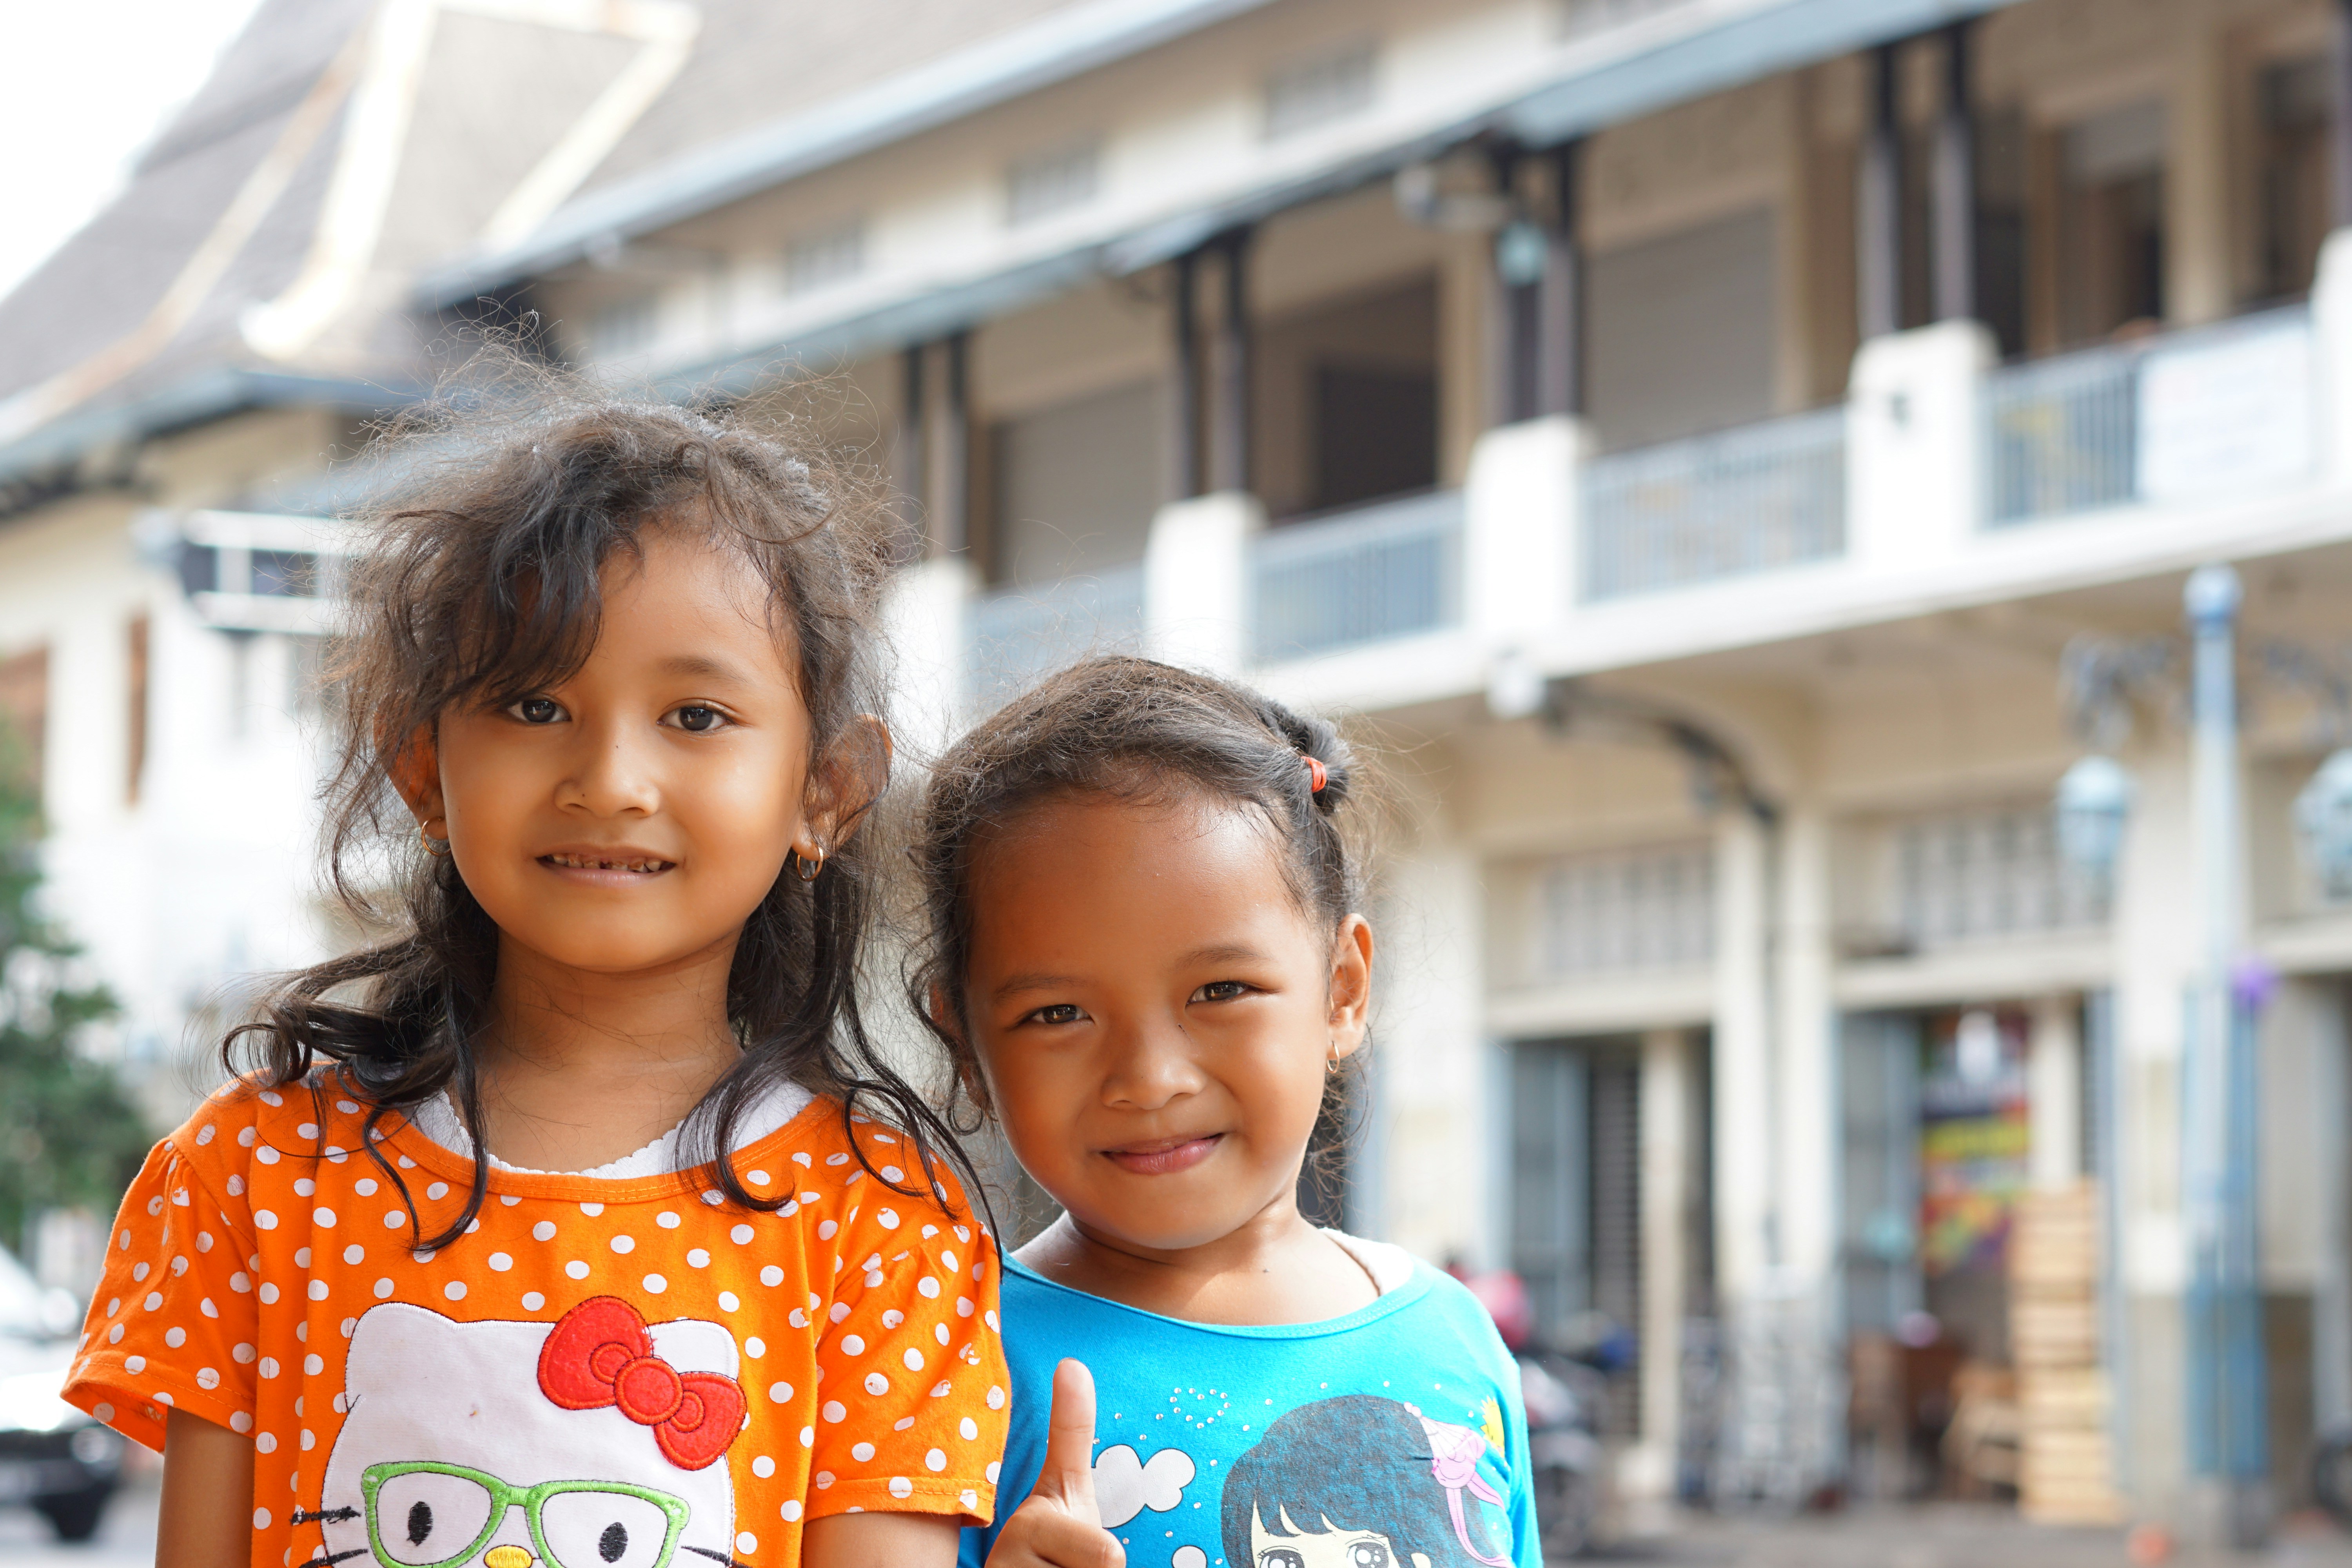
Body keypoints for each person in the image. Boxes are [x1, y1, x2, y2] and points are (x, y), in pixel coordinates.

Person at [63, 383, 1007, 1568]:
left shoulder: (886, 1222)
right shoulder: (253, 1176)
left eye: (697, 714)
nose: (610, 777)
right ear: (425, 768)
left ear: (826, 790)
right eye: (535, 703)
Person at [911, 657, 1540, 1568]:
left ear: (1343, 990)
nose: (1152, 1075)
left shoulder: (1455, 1336)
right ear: (964, 1041)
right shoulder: (944, 1361)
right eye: (1058, 1013)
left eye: (1221, 988)